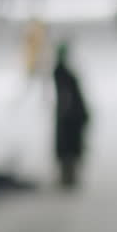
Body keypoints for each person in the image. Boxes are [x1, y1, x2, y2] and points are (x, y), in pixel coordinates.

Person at [52, 41, 90, 189]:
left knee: (69, 148)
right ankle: (68, 178)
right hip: (73, 115)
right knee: (69, 148)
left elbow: (65, 96)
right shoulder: (62, 72)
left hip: (71, 117)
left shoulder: (61, 73)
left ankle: (68, 178)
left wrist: (64, 112)